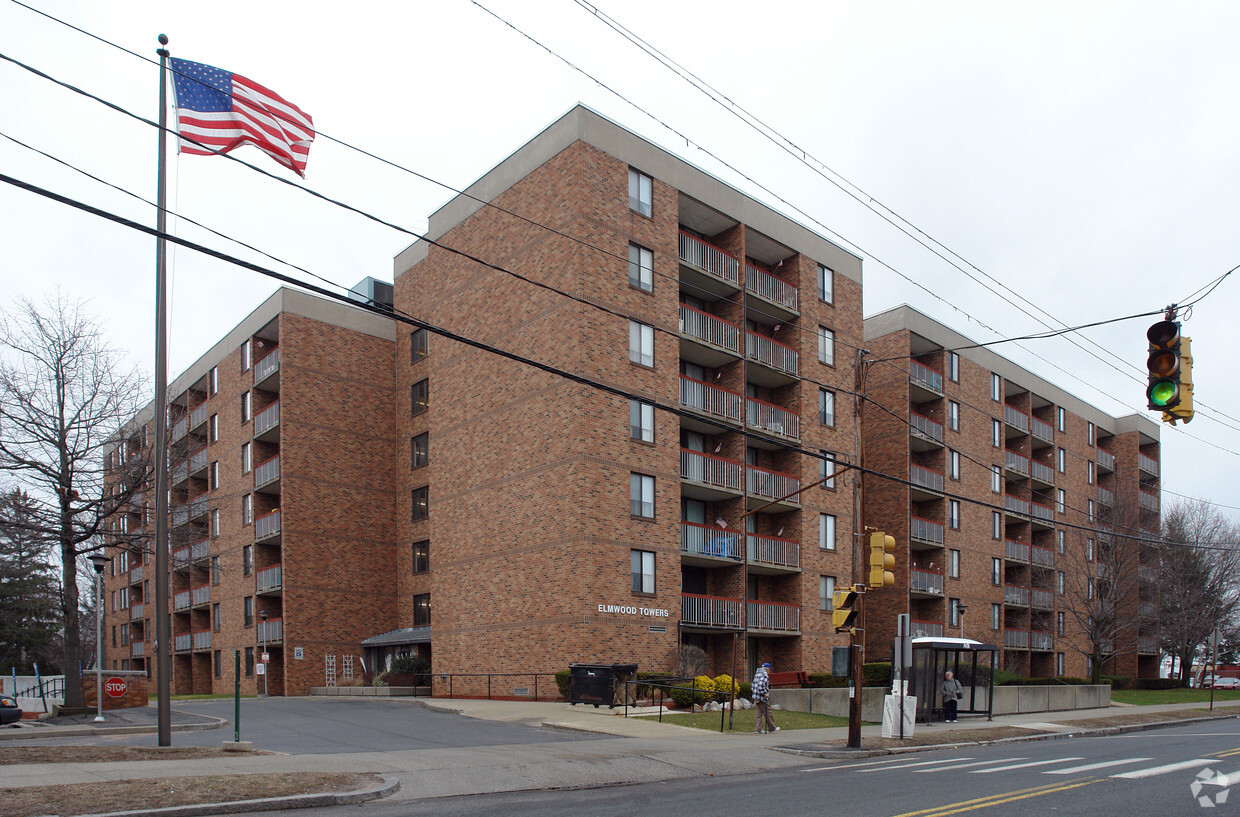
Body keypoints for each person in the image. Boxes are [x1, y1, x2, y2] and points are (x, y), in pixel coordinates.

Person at [752, 662, 779, 734]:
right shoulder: (764, 675)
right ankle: (772, 727)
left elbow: (753, 685)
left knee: (759, 713)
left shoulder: (757, 674)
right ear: (767, 669)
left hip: (756, 696)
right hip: (762, 697)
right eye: (769, 669)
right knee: (767, 712)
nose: (770, 671)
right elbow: (761, 686)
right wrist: (765, 693)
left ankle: (758, 729)